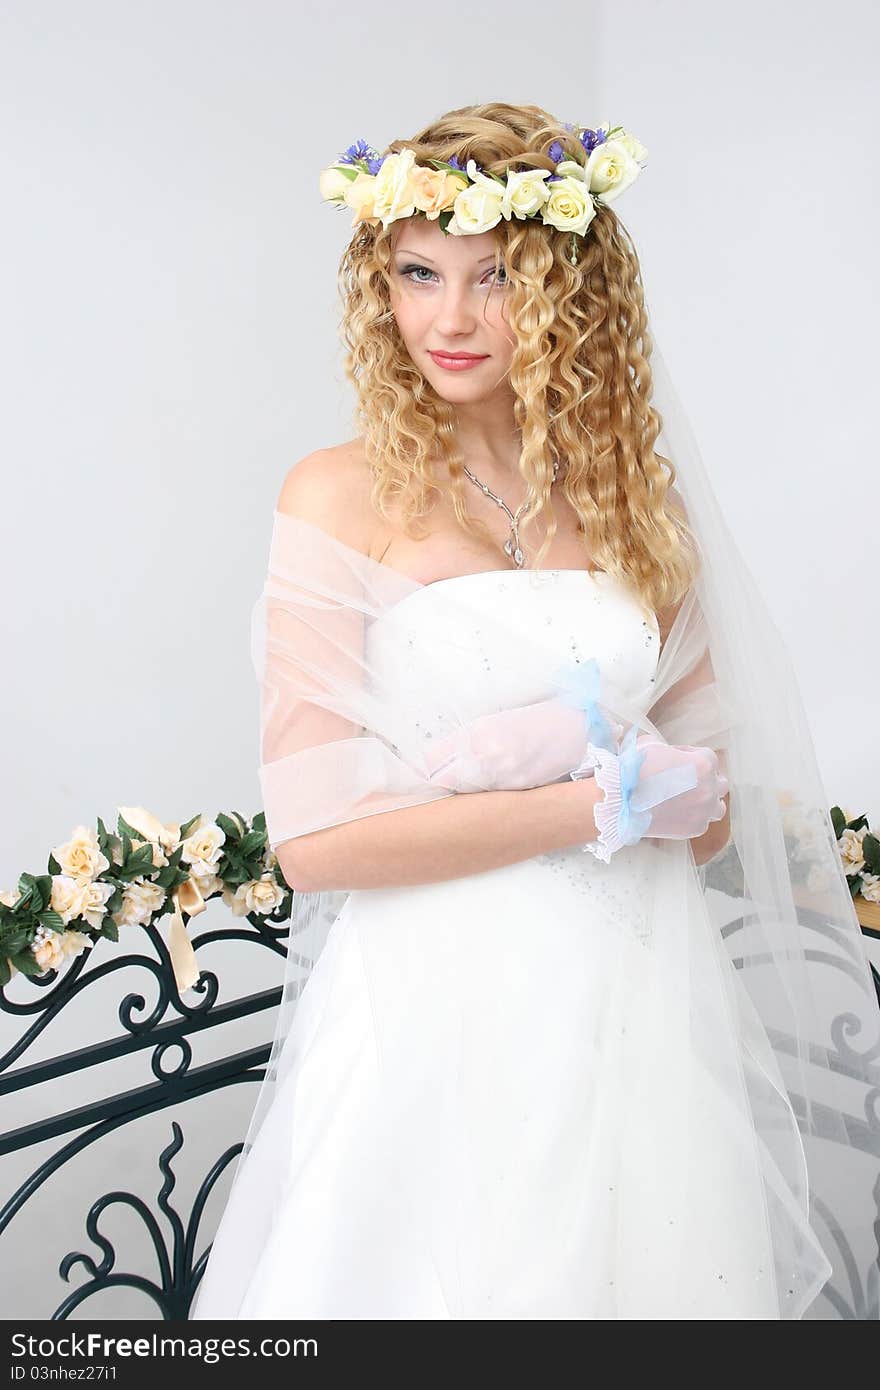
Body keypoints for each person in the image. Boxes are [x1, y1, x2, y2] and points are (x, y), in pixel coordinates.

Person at [190, 103, 880, 1320]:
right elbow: (315, 843)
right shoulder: (338, 493)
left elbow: (707, 815)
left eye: (496, 278)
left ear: (571, 295)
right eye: (416, 274)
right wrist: (589, 800)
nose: (448, 320)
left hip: (637, 998)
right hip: (433, 1005)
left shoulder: (632, 501)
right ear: (379, 285)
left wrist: (654, 779)